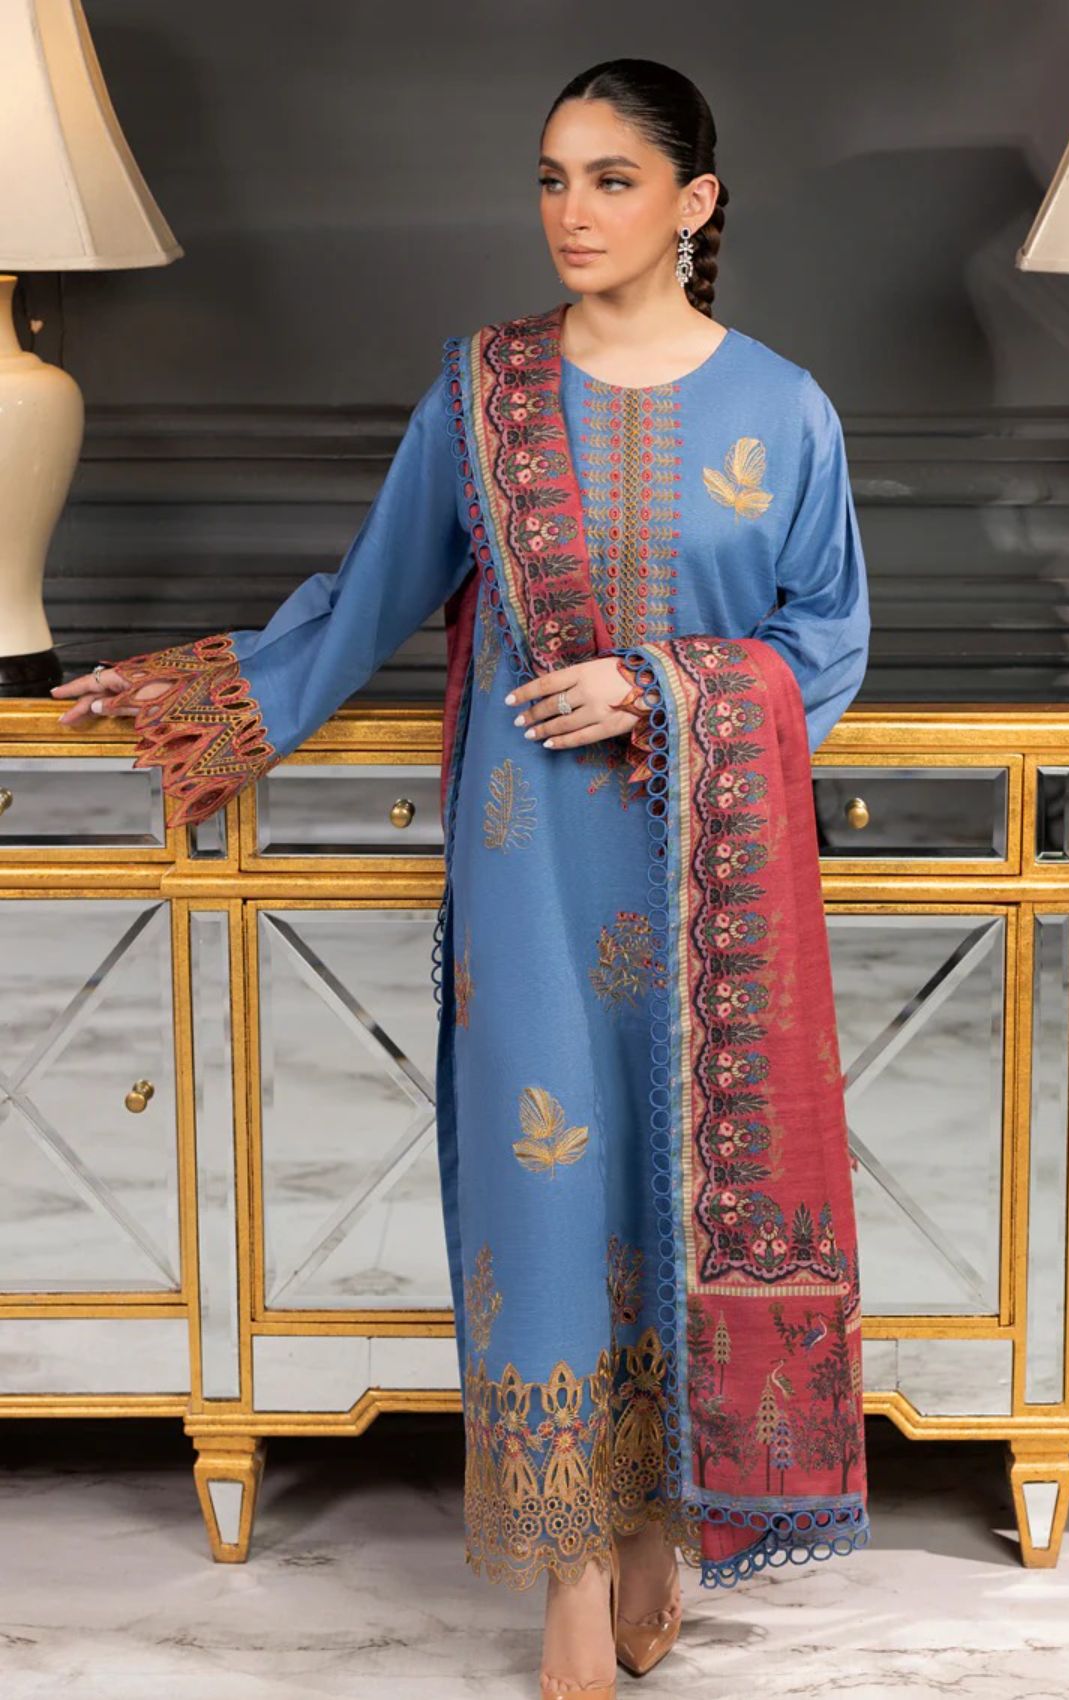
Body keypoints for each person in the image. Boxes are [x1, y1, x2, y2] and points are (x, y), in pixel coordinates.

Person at [53, 57, 872, 1700]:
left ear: (696, 202)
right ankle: (572, 1569)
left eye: (613, 180)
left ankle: (664, 1516)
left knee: (676, 1191)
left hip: (708, 879)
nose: (574, 212)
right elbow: (372, 595)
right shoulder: (485, 390)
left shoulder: (785, 410)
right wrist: (205, 693)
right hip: (528, 872)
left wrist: (654, 686)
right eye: (554, 178)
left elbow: (824, 642)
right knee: (543, 1197)